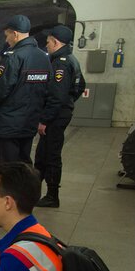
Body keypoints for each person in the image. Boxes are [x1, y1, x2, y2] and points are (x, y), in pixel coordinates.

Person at [0, 14, 52, 225]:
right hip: (29, 122)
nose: (6, 39)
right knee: (24, 165)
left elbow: (0, 90)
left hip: (10, 122)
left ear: (15, 34)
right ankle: (24, 207)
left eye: (7, 35)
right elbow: (47, 90)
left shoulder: (13, 56)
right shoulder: (43, 57)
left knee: (6, 171)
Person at [34, 25, 86, 208]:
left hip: (55, 117)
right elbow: (80, 86)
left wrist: (44, 120)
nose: (46, 45)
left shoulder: (60, 64)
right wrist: (69, 101)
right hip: (61, 113)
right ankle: (34, 192)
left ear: (55, 42)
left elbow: (56, 96)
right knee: (42, 154)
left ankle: (52, 196)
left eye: (48, 42)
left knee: (51, 156)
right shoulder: (71, 59)